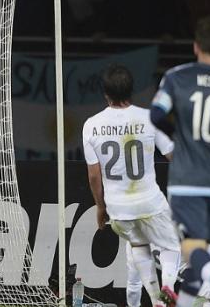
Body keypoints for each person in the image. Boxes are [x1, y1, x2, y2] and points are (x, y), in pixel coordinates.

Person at [150, 16, 210, 307]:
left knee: (191, 249)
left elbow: (156, 116)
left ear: (195, 46)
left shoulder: (177, 77)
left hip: (187, 178)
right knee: (195, 256)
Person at [82, 63, 181, 307]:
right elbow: (172, 156)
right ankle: (167, 287)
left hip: (118, 208)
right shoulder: (149, 118)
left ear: (105, 93)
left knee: (139, 247)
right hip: (150, 201)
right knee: (173, 247)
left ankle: (157, 299)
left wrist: (100, 207)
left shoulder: (91, 125)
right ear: (131, 91)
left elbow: (94, 175)